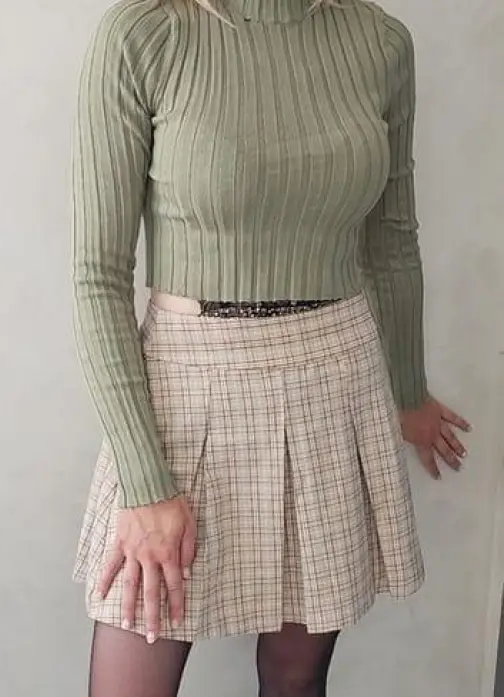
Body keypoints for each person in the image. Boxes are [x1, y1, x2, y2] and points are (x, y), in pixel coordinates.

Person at [70, 0, 472, 694]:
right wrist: (144, 483)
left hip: (333, 383)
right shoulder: (147, 35)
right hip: (186, 391)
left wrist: (408, 391)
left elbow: (391, 242)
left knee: (294, 679)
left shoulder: (379, 42)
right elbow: (98, 277)